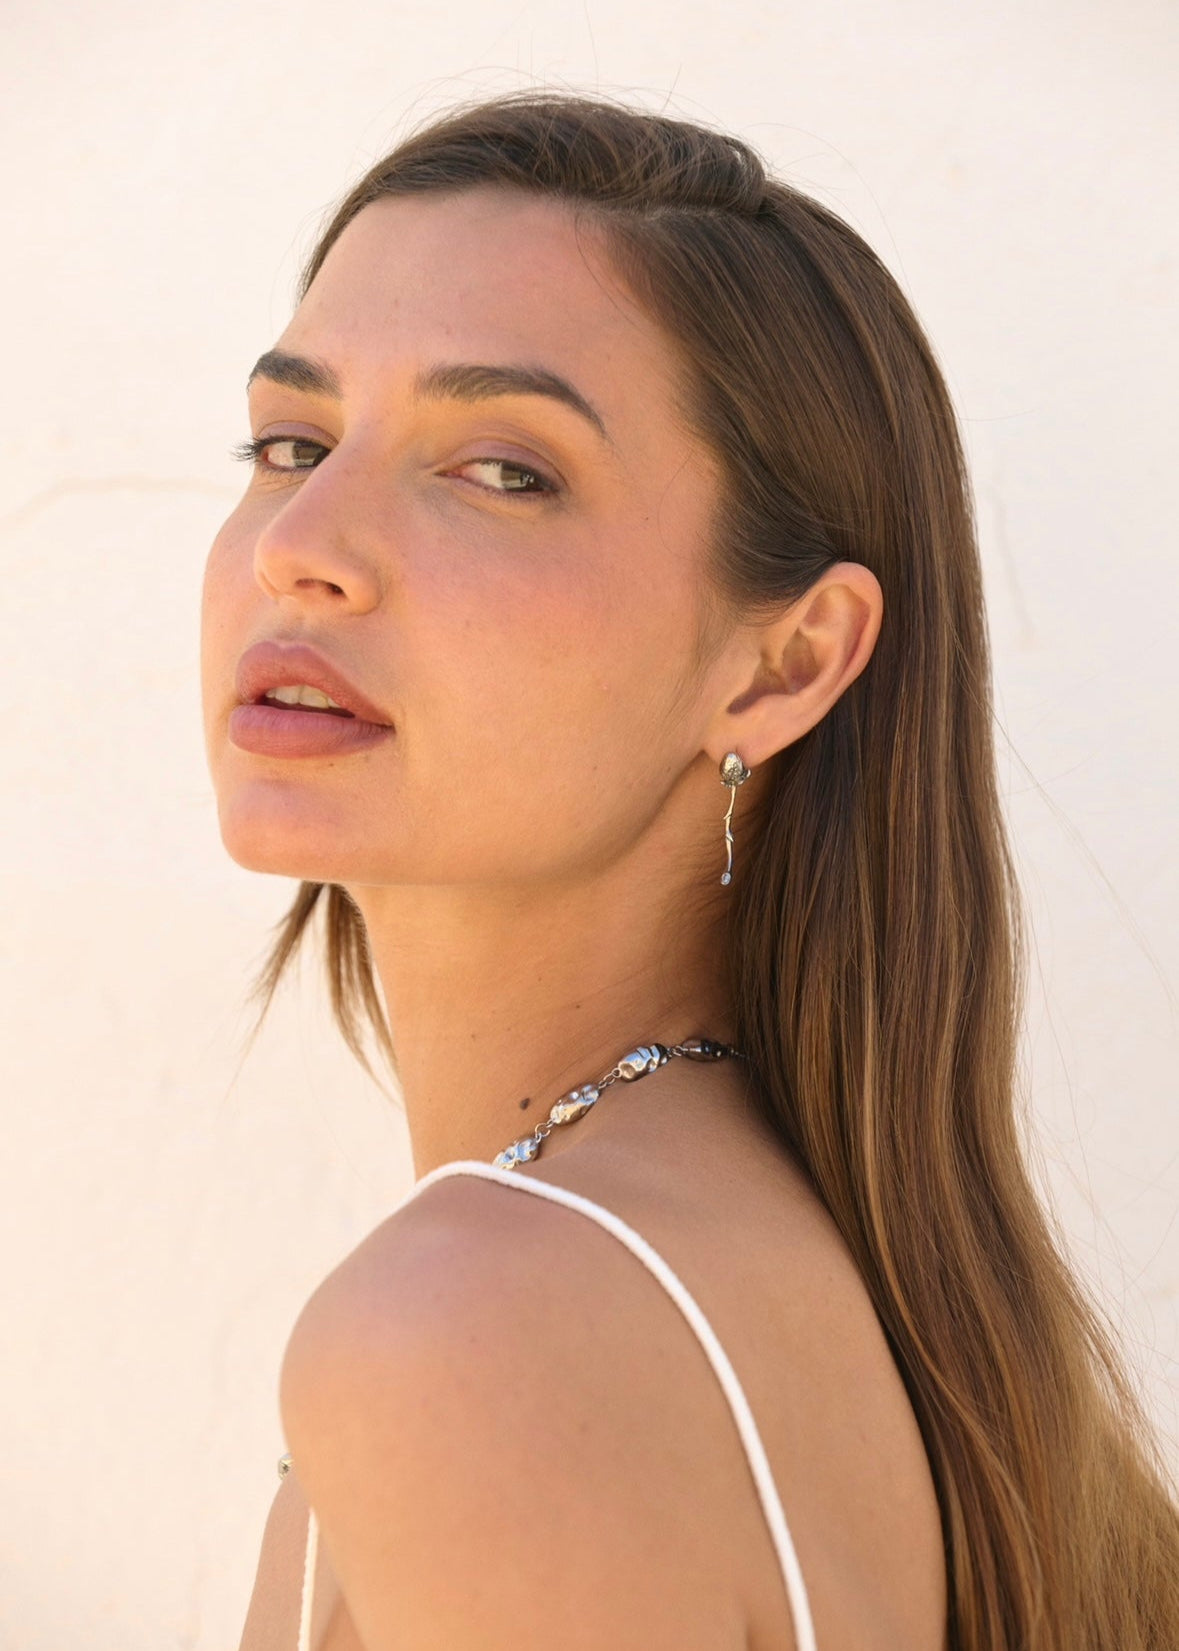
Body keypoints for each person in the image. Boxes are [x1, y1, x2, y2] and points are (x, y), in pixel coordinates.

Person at [201, 92, 1179, 1651]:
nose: (296, 542)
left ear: (785, 663)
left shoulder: (487, 1328)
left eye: (500, 470)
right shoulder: (772, 1273)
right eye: (290, 442)